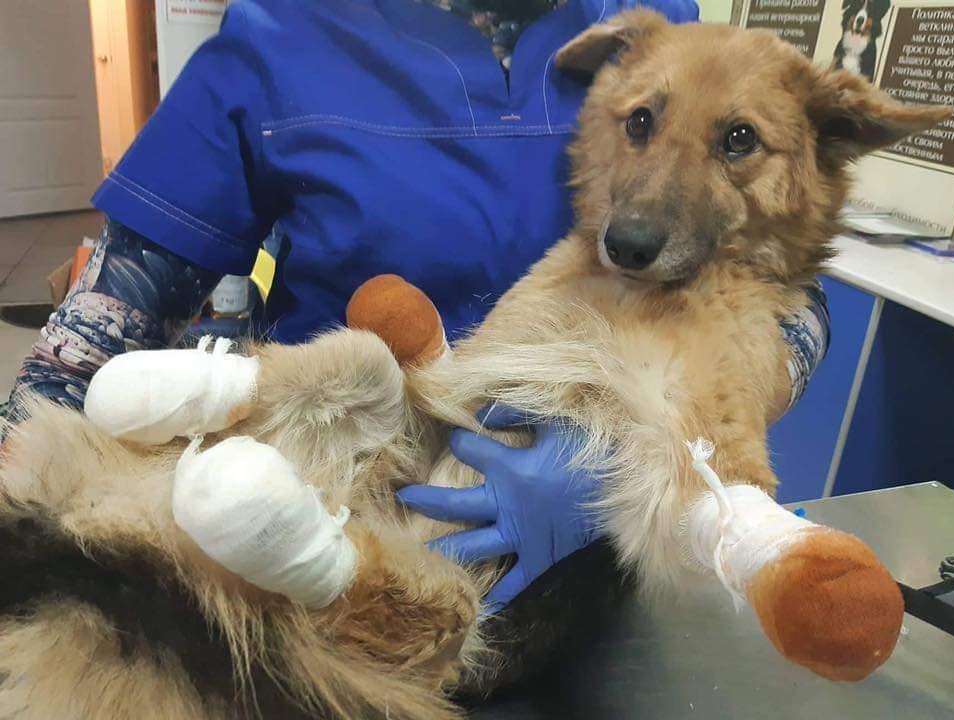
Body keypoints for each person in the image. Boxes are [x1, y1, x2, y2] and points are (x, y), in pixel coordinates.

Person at [2, 0, 829, 614]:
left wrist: (615, 472)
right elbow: (86, 347)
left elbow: (791, 296)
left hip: (594, 553)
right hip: (318, 510)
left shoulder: (658, 35)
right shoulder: (277, 43)